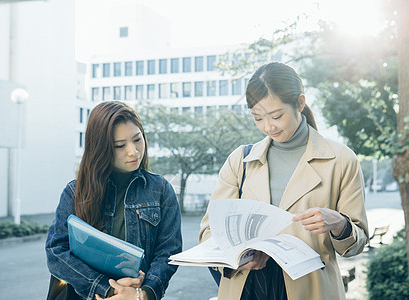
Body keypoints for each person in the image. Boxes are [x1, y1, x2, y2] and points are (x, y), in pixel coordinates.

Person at [199, 62, 368, 300]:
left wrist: (339, 223)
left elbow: (357, 242)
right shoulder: (241, 160)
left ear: (300, 103)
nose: (268, 127)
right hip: (247, 287)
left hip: (310, 289)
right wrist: (240, 256)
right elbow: (209, 230)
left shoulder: (340, 159)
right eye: (258, 118)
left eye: (277, 116)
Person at [46, 101, 182, 300]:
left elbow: (168, 252)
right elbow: (56, 251)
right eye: (120, 145)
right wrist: (106, 289)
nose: (133, 151)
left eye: (137, 139)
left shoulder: (160, 189)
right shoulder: (75, 192)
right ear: (100, 148)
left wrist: (142, 294)